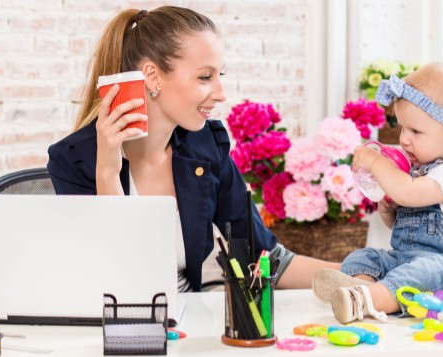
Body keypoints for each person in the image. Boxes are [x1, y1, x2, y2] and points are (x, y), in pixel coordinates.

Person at [47, 6, 337, 292]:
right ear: (152, 76)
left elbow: (264, 257)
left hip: (189, 325)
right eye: (205, 77)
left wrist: (356, 276)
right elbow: (116, 280)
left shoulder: (206, 146)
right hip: (112, 328)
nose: (221, 93)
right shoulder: (75, 160)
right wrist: (108, 173)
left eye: (219, 75)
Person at [312, 62, 443, 323]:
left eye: (416, 131)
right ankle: (359, 289)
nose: (404, 139)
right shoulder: (421, 170)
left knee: (420, 272)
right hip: (406, 260)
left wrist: (376, 163)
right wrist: (388, 209)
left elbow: (408, 192)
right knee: (364, 257)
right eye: (402, 128)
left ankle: (364, 300)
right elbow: (398, 222)